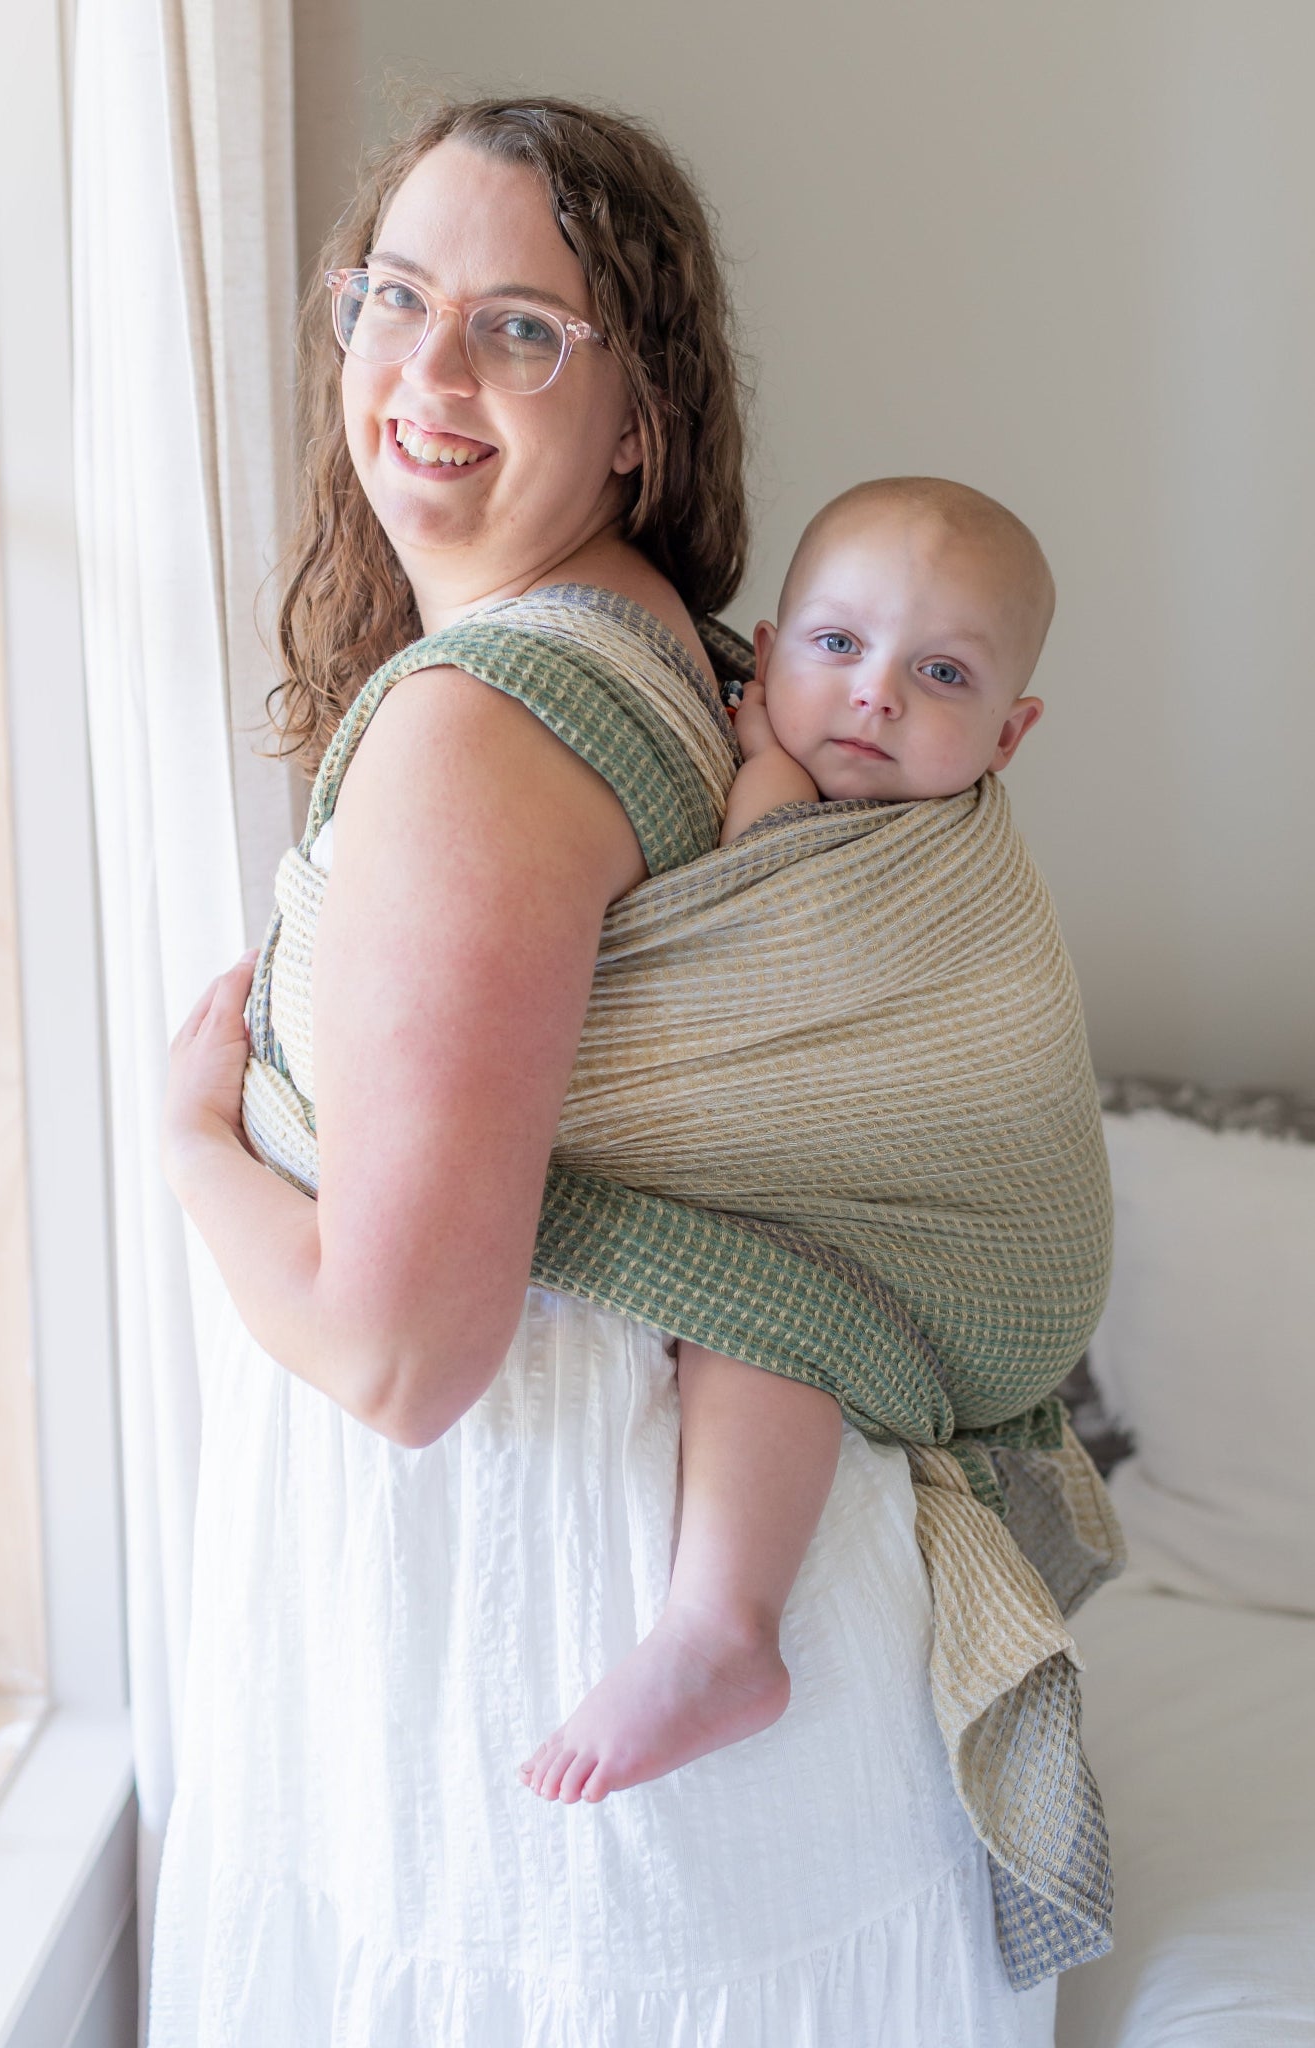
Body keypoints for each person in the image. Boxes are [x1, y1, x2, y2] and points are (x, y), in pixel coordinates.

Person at [152, 92, 1062, 2043]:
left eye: (518, 324)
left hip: (553, 1675)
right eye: (392, 295)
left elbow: (403, 1357)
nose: (425, 365)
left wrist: (189, 1136)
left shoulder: (485, 731)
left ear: (636, 413)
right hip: (731, 1651)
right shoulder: (668, 643)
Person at [517, 474, 1055, 1806]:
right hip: (850, 1182)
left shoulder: (937, 851)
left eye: (940, 672)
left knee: (762, 1309)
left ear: (1008, 736)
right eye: (837, 647)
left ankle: (722, 1629)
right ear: (766, 657)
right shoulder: (823, 789)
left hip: (939, 1232)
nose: (876, 695)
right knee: (769, 1282)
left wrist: (764, 762)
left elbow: (764, 922)